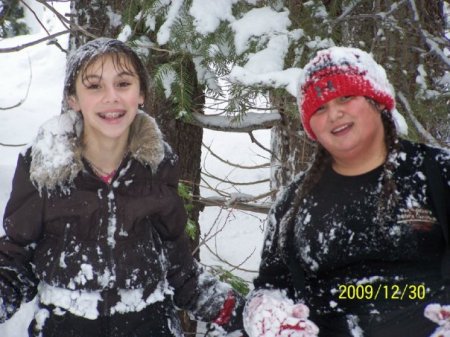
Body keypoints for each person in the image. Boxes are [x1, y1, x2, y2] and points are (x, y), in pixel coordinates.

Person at [0, 37, 244, 337]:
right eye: (94, 86)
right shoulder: (43, 168)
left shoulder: (158, 166)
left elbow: (178, 267)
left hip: (150, 326)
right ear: (73, 98)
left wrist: (241, 313)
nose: (111, 97)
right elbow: (16, 261)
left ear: (140, 93)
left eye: (123, 83)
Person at [242, 46, 450, 337]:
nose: (334, 114)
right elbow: (271, 287)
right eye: (320, 108)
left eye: (346, 97)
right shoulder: (292, 203)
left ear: (377, 101)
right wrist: (265, 312)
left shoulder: (437, 174)